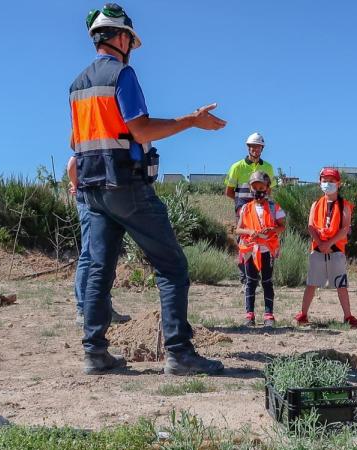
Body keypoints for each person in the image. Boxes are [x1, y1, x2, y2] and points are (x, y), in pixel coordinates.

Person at [70, 3, 227, 375]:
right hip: (126, 184)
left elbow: (75, 143)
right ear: (121, 37)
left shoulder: (77, 85)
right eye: (130, 38)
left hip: (91, 187)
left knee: (98, 271)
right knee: (172, 266)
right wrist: (191, 121)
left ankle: (95, 353)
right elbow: (140, 130)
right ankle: (180, 352)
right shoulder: (122, 75)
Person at [66, 156, 130, 327]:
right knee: (89, 253)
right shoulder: (90, 137)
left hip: (104, 197)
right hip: (90, 197)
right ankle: (83, 310)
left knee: (104, 254)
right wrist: (76, 184)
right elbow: (72, 164)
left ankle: (103, 309)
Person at [295, 167, 357, 327]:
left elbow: (345, 229)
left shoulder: (345, 205)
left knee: (341, 284)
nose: (328, 184)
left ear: (338, 183)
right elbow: (311, 226)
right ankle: (303, 314)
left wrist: (329, 243)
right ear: (320, 182)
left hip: (336, 249)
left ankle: (348, 316)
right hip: (318, 249)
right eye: (325, 181)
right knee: (311, 283)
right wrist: (320, 243)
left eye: (331, 181)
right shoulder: (316, 204)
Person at [235, 171, 284, 328]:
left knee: (267, 281)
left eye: (261, 186)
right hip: (250, 250)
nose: (258, 190)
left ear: (268, 188)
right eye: (254, 187)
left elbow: (282, 225)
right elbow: (238, 229)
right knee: (250, 282)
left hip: (267, 250)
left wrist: (272, 230)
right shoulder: (245, 208)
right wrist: (249, 232)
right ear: (250, 189)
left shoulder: (274, 207)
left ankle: (269, 314)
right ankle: (249, 315)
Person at [225, 132, 275, 283]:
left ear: (262, 148)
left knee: (263, 238)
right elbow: (229, 191)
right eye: (252, 146)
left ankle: (261, 274)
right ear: (248, 147)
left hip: (262, 208)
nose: (255, 149)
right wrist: (243, 205)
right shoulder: (237, 167)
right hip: (243, 208)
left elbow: (270, 190)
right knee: (243, 240)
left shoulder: (268, 167)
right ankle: (244, 276)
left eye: (258, 146)